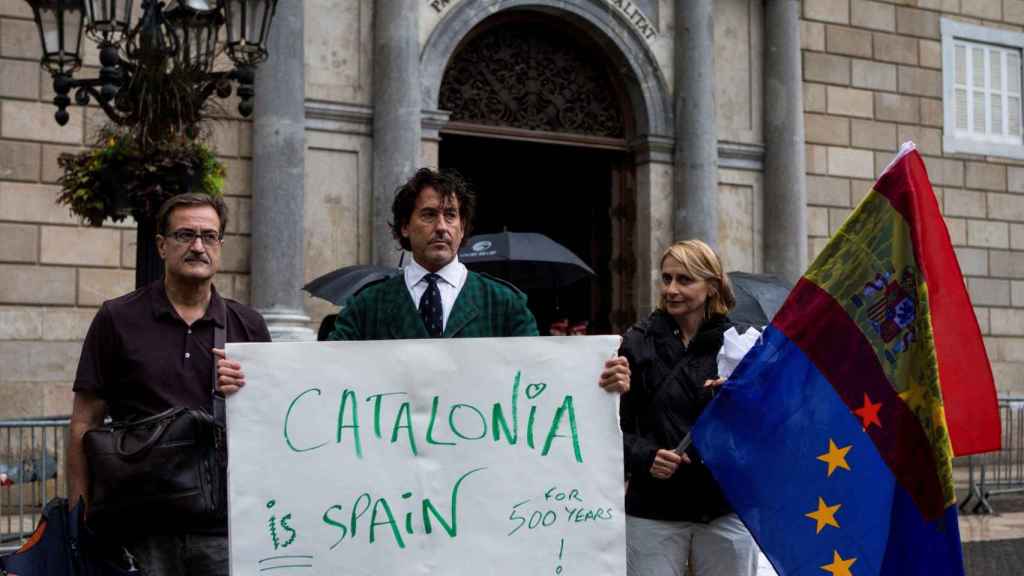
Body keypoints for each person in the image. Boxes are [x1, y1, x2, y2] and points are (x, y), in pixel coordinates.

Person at [217, 168, 627, 392]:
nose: (442, 227)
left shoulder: (505, 303)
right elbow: (323, 378)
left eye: (451, 216)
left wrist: (599, 380)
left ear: (464, 228)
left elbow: (541, 382)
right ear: (403, 229)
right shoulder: (367, 306)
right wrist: (253, 378)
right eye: (429, 215)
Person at [68, 193, 271, 576]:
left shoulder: (248, 325)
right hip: (139, 527)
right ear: (161, 245)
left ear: (220, 247)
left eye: (209, 236)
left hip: (223, 529)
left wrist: (250, 392)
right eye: (185, 235)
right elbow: (84, 421)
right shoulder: (117, 318)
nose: (198, 246)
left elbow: (271, 426)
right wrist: (78, 513)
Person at [619, 239, 758, 576]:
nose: (671, 289)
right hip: (653, 510)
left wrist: (741, 399)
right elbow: (610, 427)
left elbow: (767, 429)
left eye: (684, 279)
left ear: (711, 286)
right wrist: (646, 456)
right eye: (666, 279)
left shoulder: (742, 344)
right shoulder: (637, 341)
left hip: (724, 506)